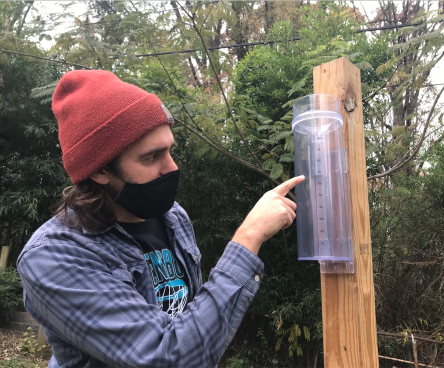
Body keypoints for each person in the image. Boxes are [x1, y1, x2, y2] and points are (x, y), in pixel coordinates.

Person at [16, 70, 304, 368]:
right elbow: (167, 358)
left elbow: (196, 322)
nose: (172, 168)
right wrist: (249, 237)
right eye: (151, 157)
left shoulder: (173, 217)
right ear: (99, 170)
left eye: (170, 150)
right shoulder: (53, 257)